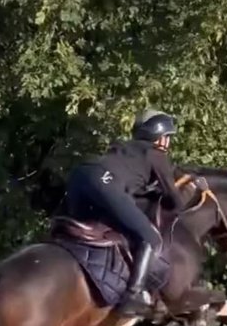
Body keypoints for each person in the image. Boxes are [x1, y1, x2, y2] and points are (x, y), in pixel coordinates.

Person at [63, 109, 186, 315]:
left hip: (81, 175)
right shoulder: (156, 154)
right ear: (160, 136)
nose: (168, 142)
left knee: (82, 232)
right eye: (168, 136)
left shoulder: (126, 148)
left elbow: (131, 185)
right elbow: (173, 197)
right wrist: (180, 205)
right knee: (150, 238)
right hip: (105, 182)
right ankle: (133, 295)